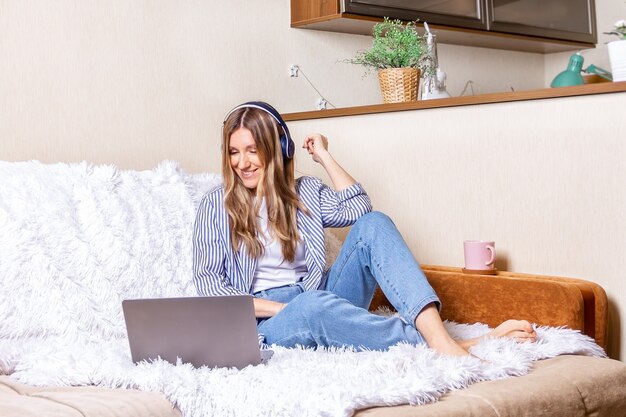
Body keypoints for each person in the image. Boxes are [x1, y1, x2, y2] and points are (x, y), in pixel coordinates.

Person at [192, 101, 536, 356]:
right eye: (234, 152)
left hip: (320, 292)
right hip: (268, 318)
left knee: (375, 224)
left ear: (277, 149)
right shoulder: (215, 206)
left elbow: (358, 208)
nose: (242, 162)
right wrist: (287, 310)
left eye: (252, 150)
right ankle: (461, 343)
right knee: (313, 307)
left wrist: (324, 156)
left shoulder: (305, 192)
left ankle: (438, 338)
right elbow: (211, 292)